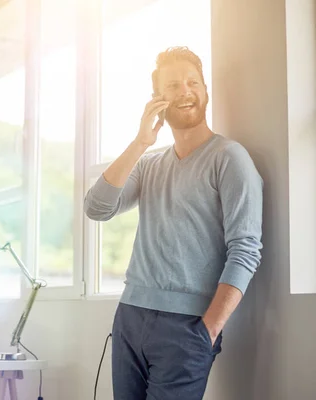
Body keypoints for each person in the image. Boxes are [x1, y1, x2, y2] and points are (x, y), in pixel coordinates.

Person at [84, 46, 263, 400]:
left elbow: (245, 251)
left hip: (188, 327)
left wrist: (208, 330)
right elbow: (97, 208)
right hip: (130, 318)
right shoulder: (150, 164)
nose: (185, 91)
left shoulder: (230, 158)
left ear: (205, 91)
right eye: (173, 85)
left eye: (193, 82)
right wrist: (140, 142)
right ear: (158, 100)